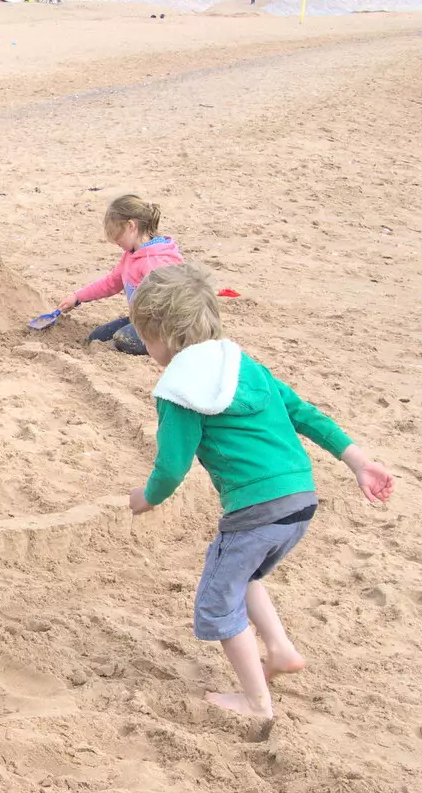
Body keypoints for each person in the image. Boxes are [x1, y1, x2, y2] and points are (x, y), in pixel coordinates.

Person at [126, 263, 394, 721]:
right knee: (245, 574)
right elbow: (305, 415)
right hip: (301, 501)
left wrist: (147, 497)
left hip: (256, 510)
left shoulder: (180, 389)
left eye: (145, 339)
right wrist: (359, 462)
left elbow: (172, 464)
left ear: (162, 335)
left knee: (219, 597)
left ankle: (255, 701)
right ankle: (280, 648)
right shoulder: (243, 365)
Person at [55, 194, 183, 357]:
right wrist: (77, 297)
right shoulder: (131, 255)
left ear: (131, 226)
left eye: (118, 237)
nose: (116, 243)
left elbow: (173, 302)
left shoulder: (156, 261)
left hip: (165, 327)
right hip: (141, 321)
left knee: (124, 339)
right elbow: (111, 283)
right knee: (96, 337)